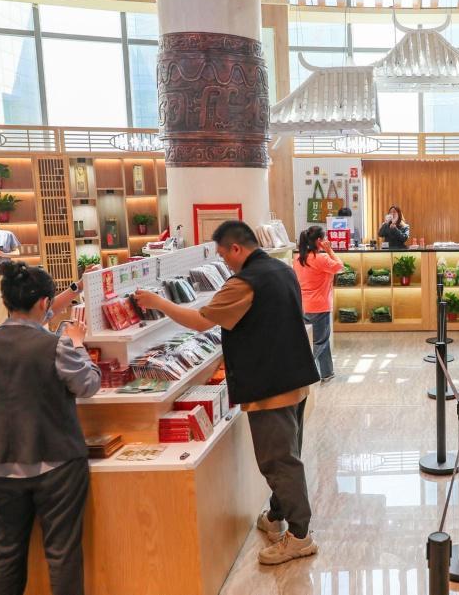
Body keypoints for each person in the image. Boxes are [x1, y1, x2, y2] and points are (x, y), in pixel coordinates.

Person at [135, 221, 320, 565]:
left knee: (278, 461)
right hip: (295, 376)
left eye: (223, 255)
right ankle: (277, 516)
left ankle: (300, 537)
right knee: (287, 454)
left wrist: (158, 302)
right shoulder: (282, 269)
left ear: (236, 248)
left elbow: (200, 321)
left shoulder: (244, 283)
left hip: (269, 386)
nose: (224, 262)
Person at [0, 261, 100, 595]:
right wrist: (78, 344)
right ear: (44, 303)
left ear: (6, 301)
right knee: (62, 554)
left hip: (0, 463)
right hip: (57, 463)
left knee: (3, 555)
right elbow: (87, 385)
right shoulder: (56, 345)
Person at [292, 226, 343, 383]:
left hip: (303, 306)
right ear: (319, 241)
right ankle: (299, 371)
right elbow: (340, 267)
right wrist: (329, 250)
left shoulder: (298, 259)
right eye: (324, 238)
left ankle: (327, 372)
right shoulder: (321, 259)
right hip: (319, 306)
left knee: (320, 340)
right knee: (319, 341)